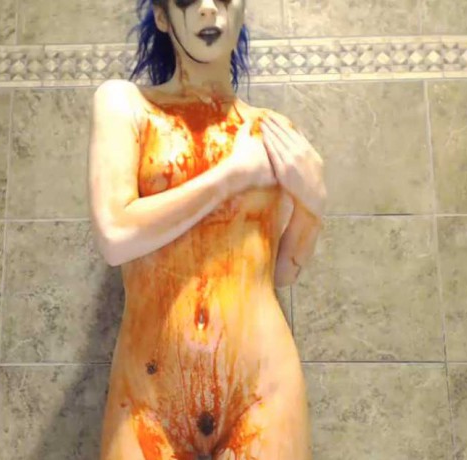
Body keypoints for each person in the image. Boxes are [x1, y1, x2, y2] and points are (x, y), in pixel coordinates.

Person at [88, 0, 326, 458]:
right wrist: (232, 176)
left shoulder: (273, 132)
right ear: (162, 17)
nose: (207, 9)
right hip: (147, 397)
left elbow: (278, 274)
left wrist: (313, 204)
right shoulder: (126, 104)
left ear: (240, 12)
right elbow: (115, 236)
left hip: (262, 388)